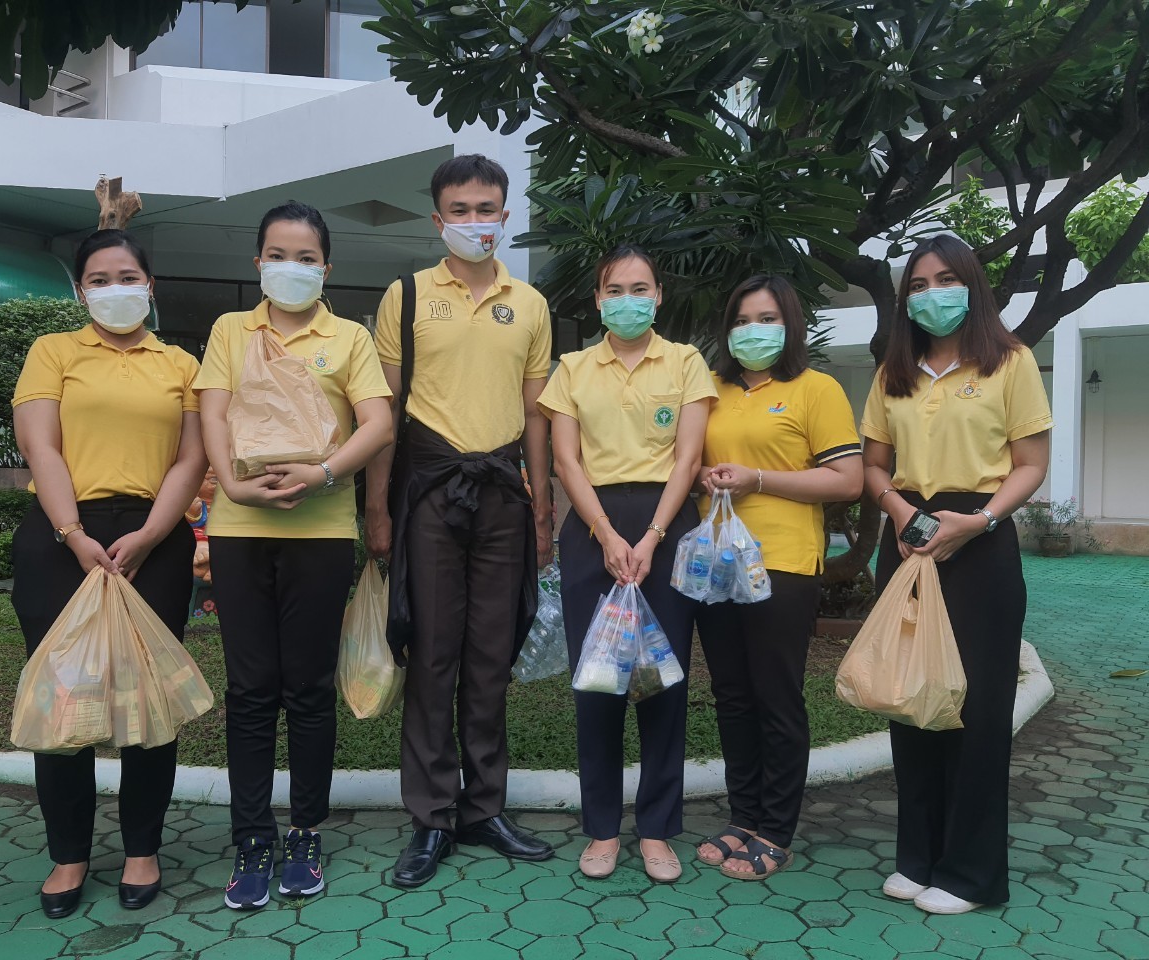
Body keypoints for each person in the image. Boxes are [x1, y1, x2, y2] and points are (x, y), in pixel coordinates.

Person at [195, 202, 394, 910]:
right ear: (257, 262)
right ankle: (252, 837)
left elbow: (379, 422)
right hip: (239, 531)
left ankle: (306, 831)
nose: (292, 267)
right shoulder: (231, 330)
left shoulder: (349, 338)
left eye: (306, 258)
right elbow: (212, 410)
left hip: (320, 534)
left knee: (308, 689)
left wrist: (325, 474)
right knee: (251, 690)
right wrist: (232, 485)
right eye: (278, 255)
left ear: (326, 268)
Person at [364, 154, 555, 888]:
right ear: (437, 219)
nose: (475, 222)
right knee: (433, 653)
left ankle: (484, 809)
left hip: (504, 492)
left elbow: (536, 417)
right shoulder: (407, 295)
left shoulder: (529, 304)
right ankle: (432, 815)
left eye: (487, 209)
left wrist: (543, 511)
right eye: (460, 210)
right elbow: (384, 413)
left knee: (489, 657)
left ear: (505, 215)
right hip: (429, 488)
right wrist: (378, 508)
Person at [11, 229, 206, 918]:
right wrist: (73, 533)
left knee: (147, 700)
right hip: (61, 536)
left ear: (150, 286)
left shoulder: (181, 363)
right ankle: (69, 854)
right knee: (63, 698)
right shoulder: (53, 352)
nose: (114, 289)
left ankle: (142, 848)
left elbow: (191, 458)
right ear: (80, 290)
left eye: (128, 276)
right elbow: (40, 445)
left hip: (154, 538)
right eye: (99, 279)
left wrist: (152, 533)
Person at [861, 234, 1051, 915]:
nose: (931, 294)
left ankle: (971, 874)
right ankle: (918, 857)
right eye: (918, 284)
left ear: (972, 285)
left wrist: (980, 520)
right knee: (911, 694)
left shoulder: (1009, 361)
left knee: (977, 706)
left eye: (945, 279)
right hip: (908, 539)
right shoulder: (894, 371)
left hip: (981, 543)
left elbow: (1031, 463)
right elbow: (874, 463)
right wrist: (898, 510)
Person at [538, 244, 715, 882]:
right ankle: (603, 828)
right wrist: (608, 535)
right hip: (594, 530)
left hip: (667, 528)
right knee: (599, 681)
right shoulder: (573, 368)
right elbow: (566, 461)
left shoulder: (686, 362)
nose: (628, 301)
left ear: (659, 296)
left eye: (640, 289)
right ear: (597, 300)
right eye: (614, 290)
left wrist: (654, 535)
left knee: (663, 681)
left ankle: (658, 829)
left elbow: (688, 457)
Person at [693, 275, 863, 881]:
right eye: (742, 320)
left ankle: (775, 830)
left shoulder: (816, 389)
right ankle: (743, 817)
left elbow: (848, 480)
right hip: (713, 563)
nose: (753, 331)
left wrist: (758, 479)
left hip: (782, 564)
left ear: (790, 326)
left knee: (775, 694)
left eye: (767, 319)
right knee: (732, 695)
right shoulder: (709, 389)